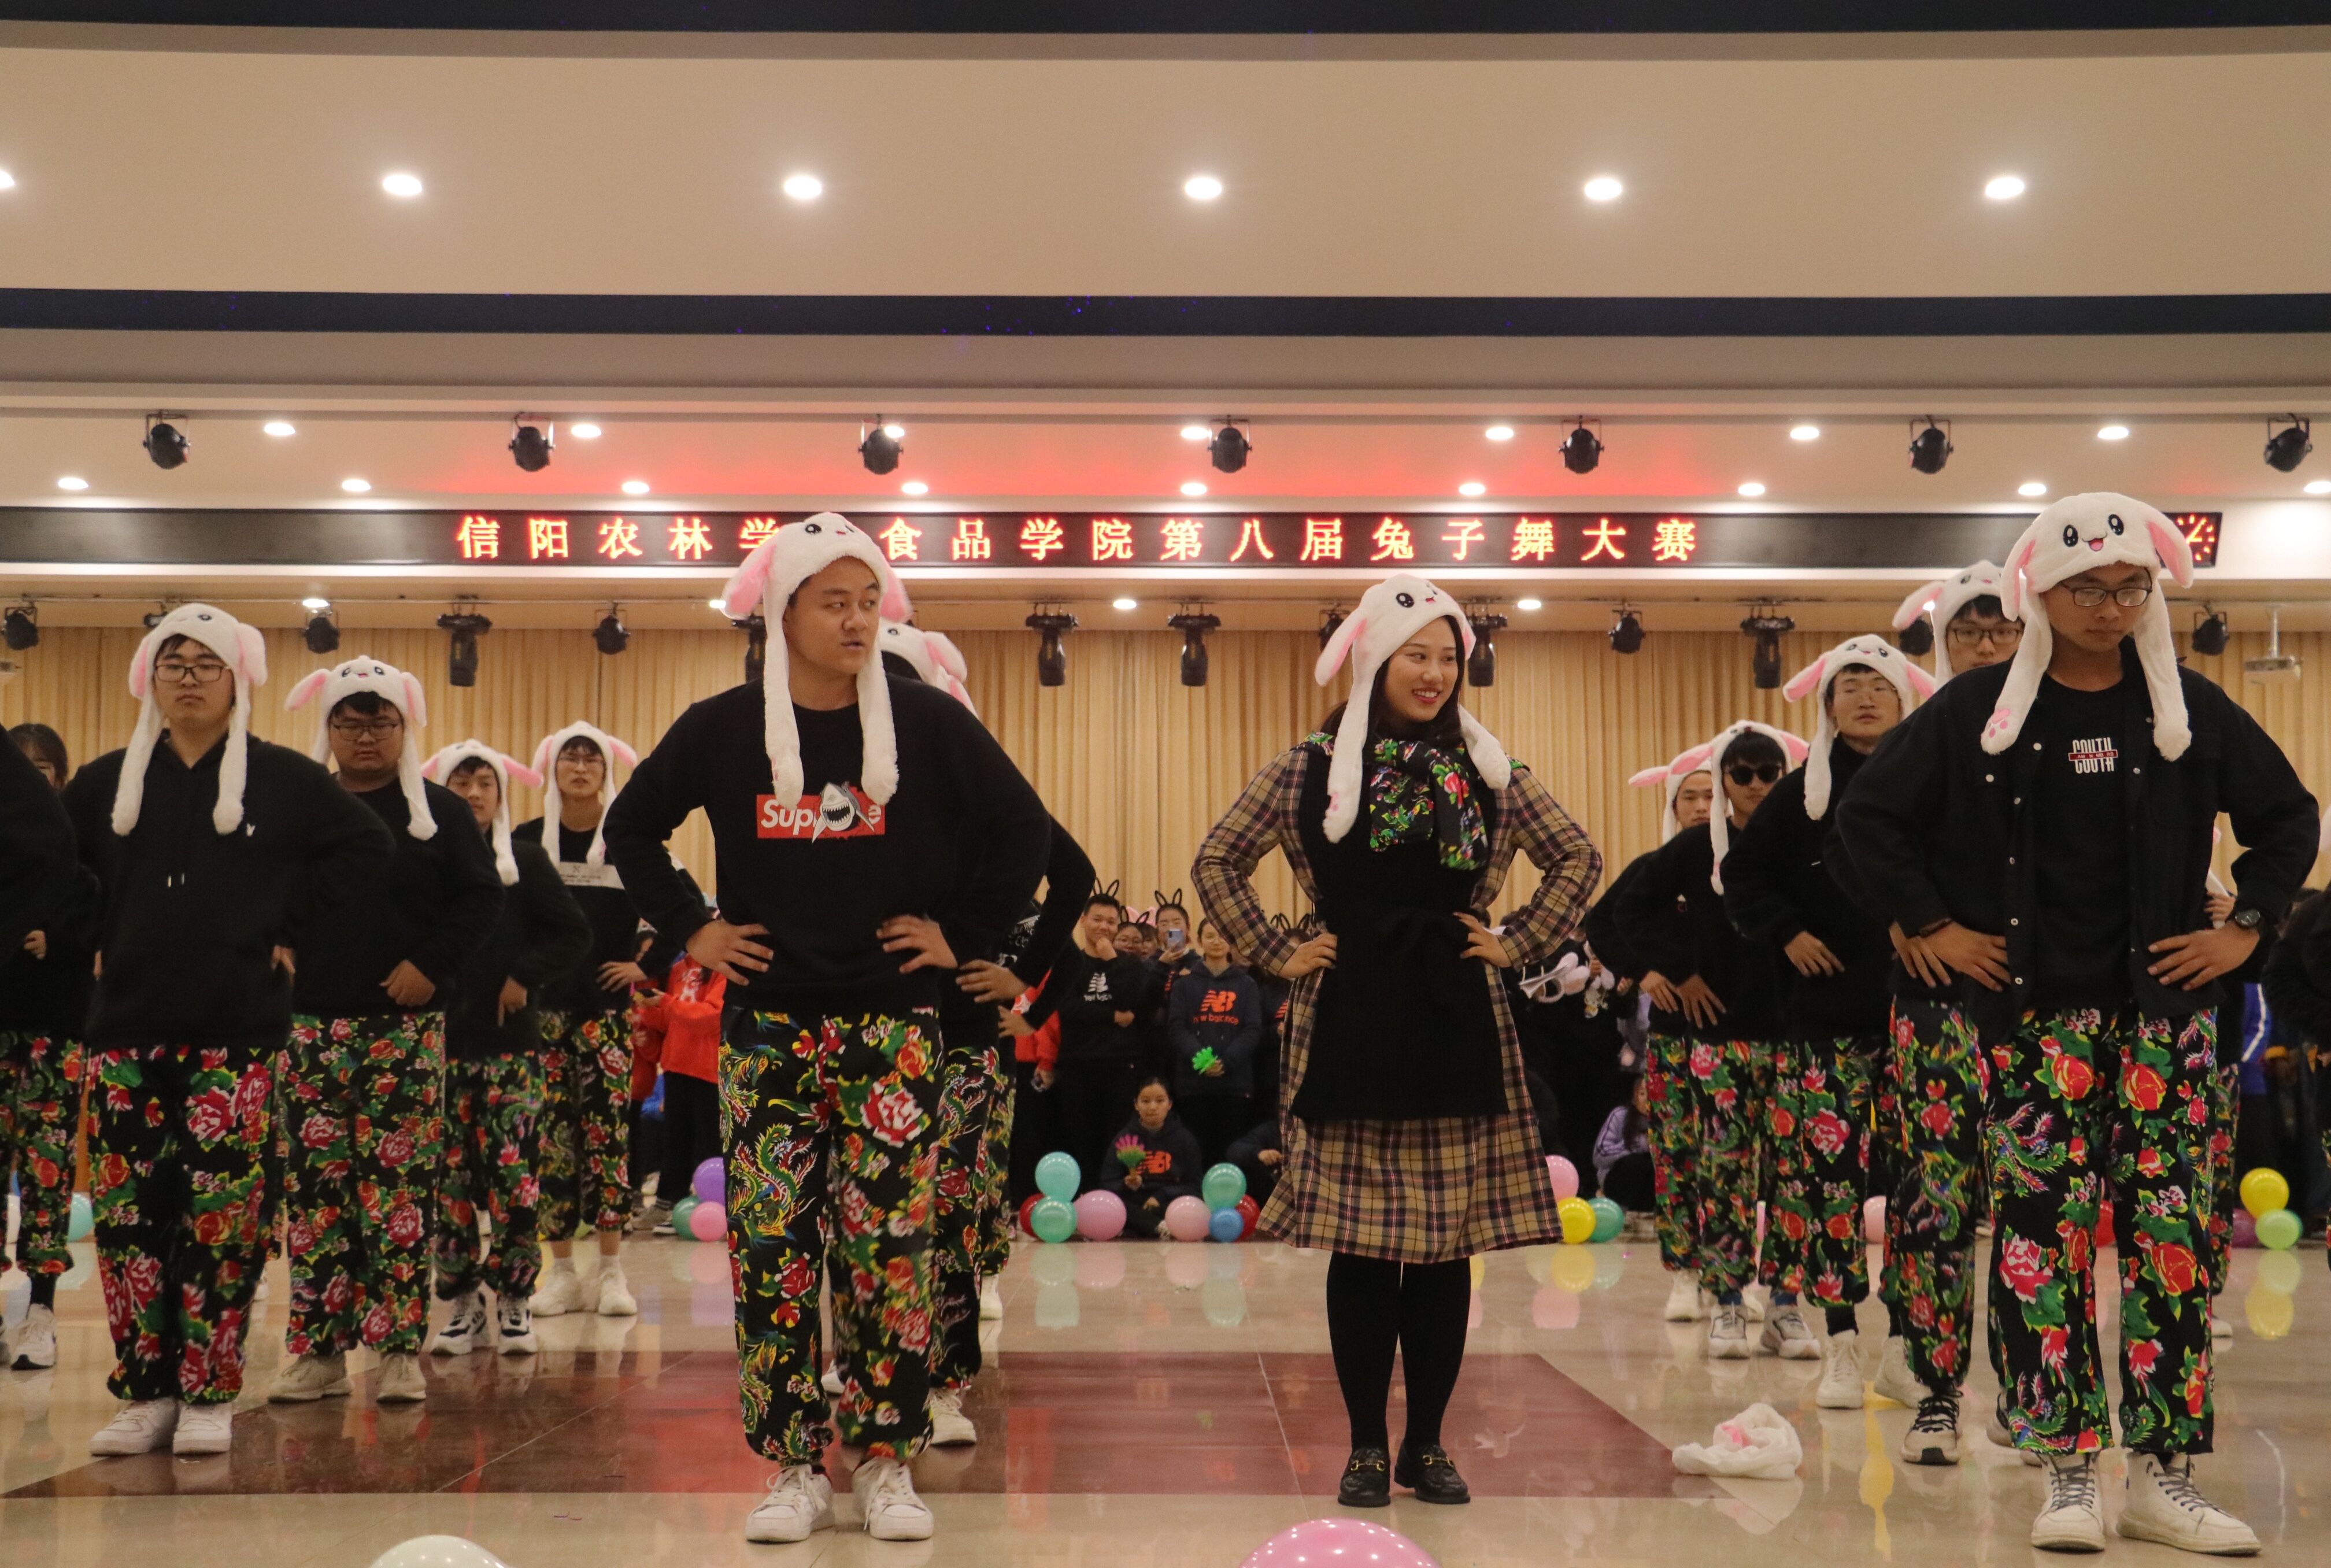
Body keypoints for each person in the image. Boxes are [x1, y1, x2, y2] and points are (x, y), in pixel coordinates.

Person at [1835, 494, 2317, 1555]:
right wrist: (1931, 924)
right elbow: (1869, 817)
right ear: (2039, 593)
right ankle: (2063, 1466)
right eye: (2086, 588)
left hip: (2169, 1023)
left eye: (2130, 586)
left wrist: (2245, 928)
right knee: (2038, 1238)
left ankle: (2162, 1477)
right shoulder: (1977, 712)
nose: (2110, 606)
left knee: (2172, 1240)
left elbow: (2288, 817)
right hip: (2037, 1022)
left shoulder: (2185, 706)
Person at [603, 515, 1051, 1544]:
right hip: (767, 1029)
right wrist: (693, 928)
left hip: (893, 1027)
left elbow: (1024, 828)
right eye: (833, 603)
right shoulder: (723, 727)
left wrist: (961, 935)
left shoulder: (926, 721)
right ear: (783, 613)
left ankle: (887, 1460)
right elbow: (633, 826)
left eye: (868, 602)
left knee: (890, 1249)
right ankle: (792, 1465)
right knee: (773, 1249)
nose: (857, 621)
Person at [1194, 572, 1601, 1511]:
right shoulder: (1307, 766)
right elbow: (1218, 857)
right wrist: (1276, 951)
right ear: (1375, 658)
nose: (1434, 673)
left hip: (1457, 1013)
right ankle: (1366, 1447)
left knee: (1446, 1251)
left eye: (1448, 657)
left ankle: (1428, 1442)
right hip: (1349, 1014)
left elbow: (1577, 855)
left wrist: (1517, 941)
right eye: (1416, 654)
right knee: (1366, 1250)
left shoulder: (1488, 767)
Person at [62, 605, 394, 1458]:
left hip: (236, 1032)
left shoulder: (283, 779)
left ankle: (209, 1391)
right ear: (150, 678)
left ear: (237, 678)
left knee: (223, 1216)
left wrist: (284, 923)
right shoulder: (104, 783)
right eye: (173, 662)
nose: (188, 677)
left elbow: (365, 847)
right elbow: (57, 873)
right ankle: (145, 1393)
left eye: (206, 663)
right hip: (125, 1032)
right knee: (131, 1222)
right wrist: (94, 938)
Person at [269, 657, 504, 1407]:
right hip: (309, 1028)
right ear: (329, 728)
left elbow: (480, 900)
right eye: (350, 722)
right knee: (317, 1197)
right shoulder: (301, 809)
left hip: (404, 1032)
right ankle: (318, 1352)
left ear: (406, 727)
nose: (366, 736)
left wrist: (431, 965)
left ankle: (399, 1349)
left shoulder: (441, 812)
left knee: (399, 1195)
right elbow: (266, 895)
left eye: (381, 722)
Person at [882, 617, 1096, 1436]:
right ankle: (864, 1362)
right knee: (861, 1210)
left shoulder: (972, 784)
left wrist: (1022, 981)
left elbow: (1072, 873)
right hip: (864, 1025)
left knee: (953, 1209)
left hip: (964, 1035)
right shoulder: (838, 785)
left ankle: (943, 1384)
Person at [1841, 561, 2025, 1447]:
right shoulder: (1931, 729)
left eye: (2003, 629)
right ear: (1944, 642)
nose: (1988, 645)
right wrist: (1917, 920)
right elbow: (1858, 830)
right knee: (1936, 1198)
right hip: (1940, 1002)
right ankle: (1934, 1389)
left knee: (2037, 1203)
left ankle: (2033, 1400)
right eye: (1969, 631)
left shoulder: (2067, 717)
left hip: (2047, 1006)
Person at [1723, 637, 1932, 1412]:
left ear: (1904, 698)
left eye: (1880, 684)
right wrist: (1786, 932)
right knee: (1824, 1182)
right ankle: (1841, 1341)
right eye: (1851, 686)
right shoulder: (1799, 795)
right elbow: (1742, 876)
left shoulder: (1930, 775)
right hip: (1822, 1021)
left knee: (1919, 1182)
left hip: (1920, 1010)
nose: (1866, 697)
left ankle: (1906, 1345)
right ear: (1829, 705)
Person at [1611, 721, 1806, 1351]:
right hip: (1707, 1038)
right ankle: (1711, 1288)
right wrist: (1668, 971)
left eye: (1768, 774)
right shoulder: (1693, 851)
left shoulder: (1803, 840)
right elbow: (1617, 914)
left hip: (1793, 1035)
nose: (1755, 785)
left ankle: (1784, 1303)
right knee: (1708, 1170)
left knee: (1794, 1177)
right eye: (1741, 775)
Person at [421, 739, 591, 1358]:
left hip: (511, 1054)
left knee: (516, 1184)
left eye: (484, 784)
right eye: (461, 783)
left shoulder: (525, 860)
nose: (473, 794)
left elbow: (573, 933)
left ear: (500, 794)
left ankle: (515, 1297)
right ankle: (462, 1303)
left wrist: (523, 976)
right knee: (451, 1186)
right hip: (438, 1051)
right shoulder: (424, 862)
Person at [514, 720, 656, 1319]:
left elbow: (678, 908)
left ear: (605, 771)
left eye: (590, 759)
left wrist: (644, 967)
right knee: (550, 1143)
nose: (579, 767)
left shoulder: (626, 841)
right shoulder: (525, 841)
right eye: (568, 758)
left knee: (607, 1141)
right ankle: (564, 1274)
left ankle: (611, 1272)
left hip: (606, 1018)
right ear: (552, 769)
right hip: (540, 1016)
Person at [1586, 746, 1717, 1317]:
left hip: (1745, 1035)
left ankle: (1734, 1280)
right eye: (1690, 797)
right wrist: (1645, 972)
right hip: (1674, 1036)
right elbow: (1602, 923)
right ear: (1674, 806)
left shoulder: (1750, 865)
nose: (1702, 806)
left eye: (1711, 795)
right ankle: (1685, 1274)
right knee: (1678, 1155)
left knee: (1736, 1161)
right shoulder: (1654, 868)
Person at [1, 723, 94, 1372]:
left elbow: (98, 927)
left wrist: (55, 942)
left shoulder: (77, 855)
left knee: (47, 1171)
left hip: (53, 1033)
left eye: (44, 769)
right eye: (21, 769)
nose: (33, 780)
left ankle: (41, 1311)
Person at [1028, 894, 1146, 1184]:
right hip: (1077, 1064)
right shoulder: (1069, 962)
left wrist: (1111, 959)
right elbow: (1069, 1009)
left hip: (1119, 1065)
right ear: (1083, 921)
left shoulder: (1131, 965)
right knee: (1080, 1138)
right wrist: (1112, 1016)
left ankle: (1115, 1196)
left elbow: (1131, 1003)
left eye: (1111, 922)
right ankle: (1084, 1196)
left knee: (1117, 1138)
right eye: (1097, 919)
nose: (1104, 927)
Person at [1167, 920, 1266, 1167]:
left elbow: (1253, 1029)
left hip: (1235, 1084)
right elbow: (1177, 1028)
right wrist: (1203, 1060)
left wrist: (1227, 1062)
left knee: (1231, 1154)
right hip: (1193, 1084)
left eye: (1222, 936)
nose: (1217, 941)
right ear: (1200, 941)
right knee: (1198, 1155)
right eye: (1210, 936)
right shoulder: (1184, 984)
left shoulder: (1247, 984)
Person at [1106, 1078, 1202, 1236]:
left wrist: (1161, 1195)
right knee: (1112, 1202)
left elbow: (1195, 1186)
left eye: (1160, 1101)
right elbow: (1107, 1183)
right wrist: (1126, 1184)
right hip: (1136, 1201)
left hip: (1168, 1202)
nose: (1152, 1107)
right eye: (1145, 1101)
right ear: (1136, 1105)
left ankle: (1141, 1226)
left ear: (1169, 1104)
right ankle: (1157, 1226)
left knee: (1191, 1205)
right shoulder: (1124, 1138)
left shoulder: (1185, 1139)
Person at [1593, 1074, 1655, 1212]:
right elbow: (1599, 1156)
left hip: (1649, 1188)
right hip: (1619, 1180)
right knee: (1635, 1163)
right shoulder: (1620, 1115)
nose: (1647, 1099)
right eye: (1642, 1094)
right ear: (1634, 1098)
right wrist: (1635, 1145)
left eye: (1652, 1094)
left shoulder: (1666, 1120)